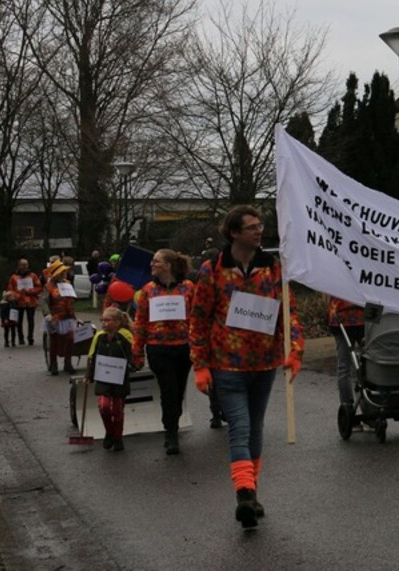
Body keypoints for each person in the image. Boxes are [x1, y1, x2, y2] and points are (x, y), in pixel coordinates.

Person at [189, 205, 304, 530]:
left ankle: (252, 493)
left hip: (264, 364)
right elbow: (199, 319)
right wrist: (200, 365)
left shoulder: (274, 268)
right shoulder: (213, 269)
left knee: (255, 428)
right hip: (227, 365)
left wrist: (295, 350)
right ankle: (244, 494)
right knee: (239, 427)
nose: (259, 231)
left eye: (260, 226)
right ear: (234, 233)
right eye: (252, 227)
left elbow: (289, 312)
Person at [133, 249, 197, 455]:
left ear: (168, 266)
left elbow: (197, 317)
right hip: (158, 348)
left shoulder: (188, 287)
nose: (152, 264)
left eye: (156, 261)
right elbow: (140, 321)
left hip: (183, 347)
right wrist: (137, 351)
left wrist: (199, 344)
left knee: (178, 391)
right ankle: (171, 433)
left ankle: (173, 420)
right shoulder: (147, 290)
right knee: (168, 390)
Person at [84, 307, 141, 451]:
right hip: (103, 377)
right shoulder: (99, 336)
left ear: (117, 322)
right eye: (102, 320)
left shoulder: (125, 336)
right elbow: (92, 356)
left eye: (107, 320)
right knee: (103, 406)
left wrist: (133, 365)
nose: (103, 323)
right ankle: (109, 432)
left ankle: (118, 437)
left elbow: (134, 354)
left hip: (119, 379)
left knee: (117, 409)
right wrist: (88, 375)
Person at [327, 297, 364, 410]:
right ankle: (349, 405)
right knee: (348, 365)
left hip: (350, 315)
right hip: (353, 315)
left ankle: (349, 405)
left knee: (346, 366)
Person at [42, 259, 77, 376]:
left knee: (70, 339)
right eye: (62, 272)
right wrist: (47, 314)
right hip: (55, 317)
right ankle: (53, 364)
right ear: (57, 274)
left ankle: (68, 363)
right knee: (55, 342)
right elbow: (43, 301)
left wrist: (74, 315)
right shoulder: (49, 286)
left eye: (65, 271)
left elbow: (71, 300)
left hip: (68, 316)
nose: (65, 273)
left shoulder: (67, 283)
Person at [7, 258, 42, 345]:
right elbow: (10, 289)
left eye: (26, 264)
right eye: (23, 265)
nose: (25, 266)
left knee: (31, 320)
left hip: (31, 301)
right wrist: (16, 295)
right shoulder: (14, 277)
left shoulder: (33, 276)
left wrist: (30, 291)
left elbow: (39, 287)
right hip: (18, 302)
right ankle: (20, 338)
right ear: (19, 266)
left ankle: (30, 337)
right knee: (19, 321)